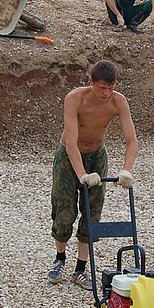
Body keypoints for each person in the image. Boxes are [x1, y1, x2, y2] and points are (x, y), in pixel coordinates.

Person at [48, 60, 139, 290]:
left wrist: (127, 169)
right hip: (70, 156)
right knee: (65, 211)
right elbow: (70, 141)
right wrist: (82, 174)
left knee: (92, 213)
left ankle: (80, 269)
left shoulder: (118, 102)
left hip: (97, 155)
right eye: (101, 88)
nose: (106, 93)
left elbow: (132, 140)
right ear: (91, 82)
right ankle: (60, 259)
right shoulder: (75, 98)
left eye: (111, 88)